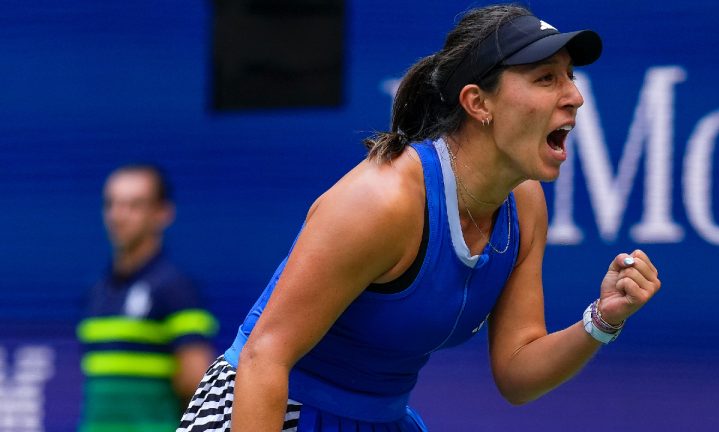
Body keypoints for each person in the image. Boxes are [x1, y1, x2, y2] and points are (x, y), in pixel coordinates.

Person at [179, 4, 661, 432]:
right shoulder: (380, 202)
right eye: (546, 78)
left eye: (570, 75)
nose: (574, 95)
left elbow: (517, 371)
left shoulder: (525, 203)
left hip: (379, 419)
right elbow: (266, 358)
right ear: (478, 103)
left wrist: (602, 320)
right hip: (265, 406)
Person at [77, 164, 219, 432]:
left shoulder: (176, 289)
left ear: (162, 213)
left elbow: (196, 383)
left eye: (134, 205)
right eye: (112, 204)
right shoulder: (95, 291)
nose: (118, 215)